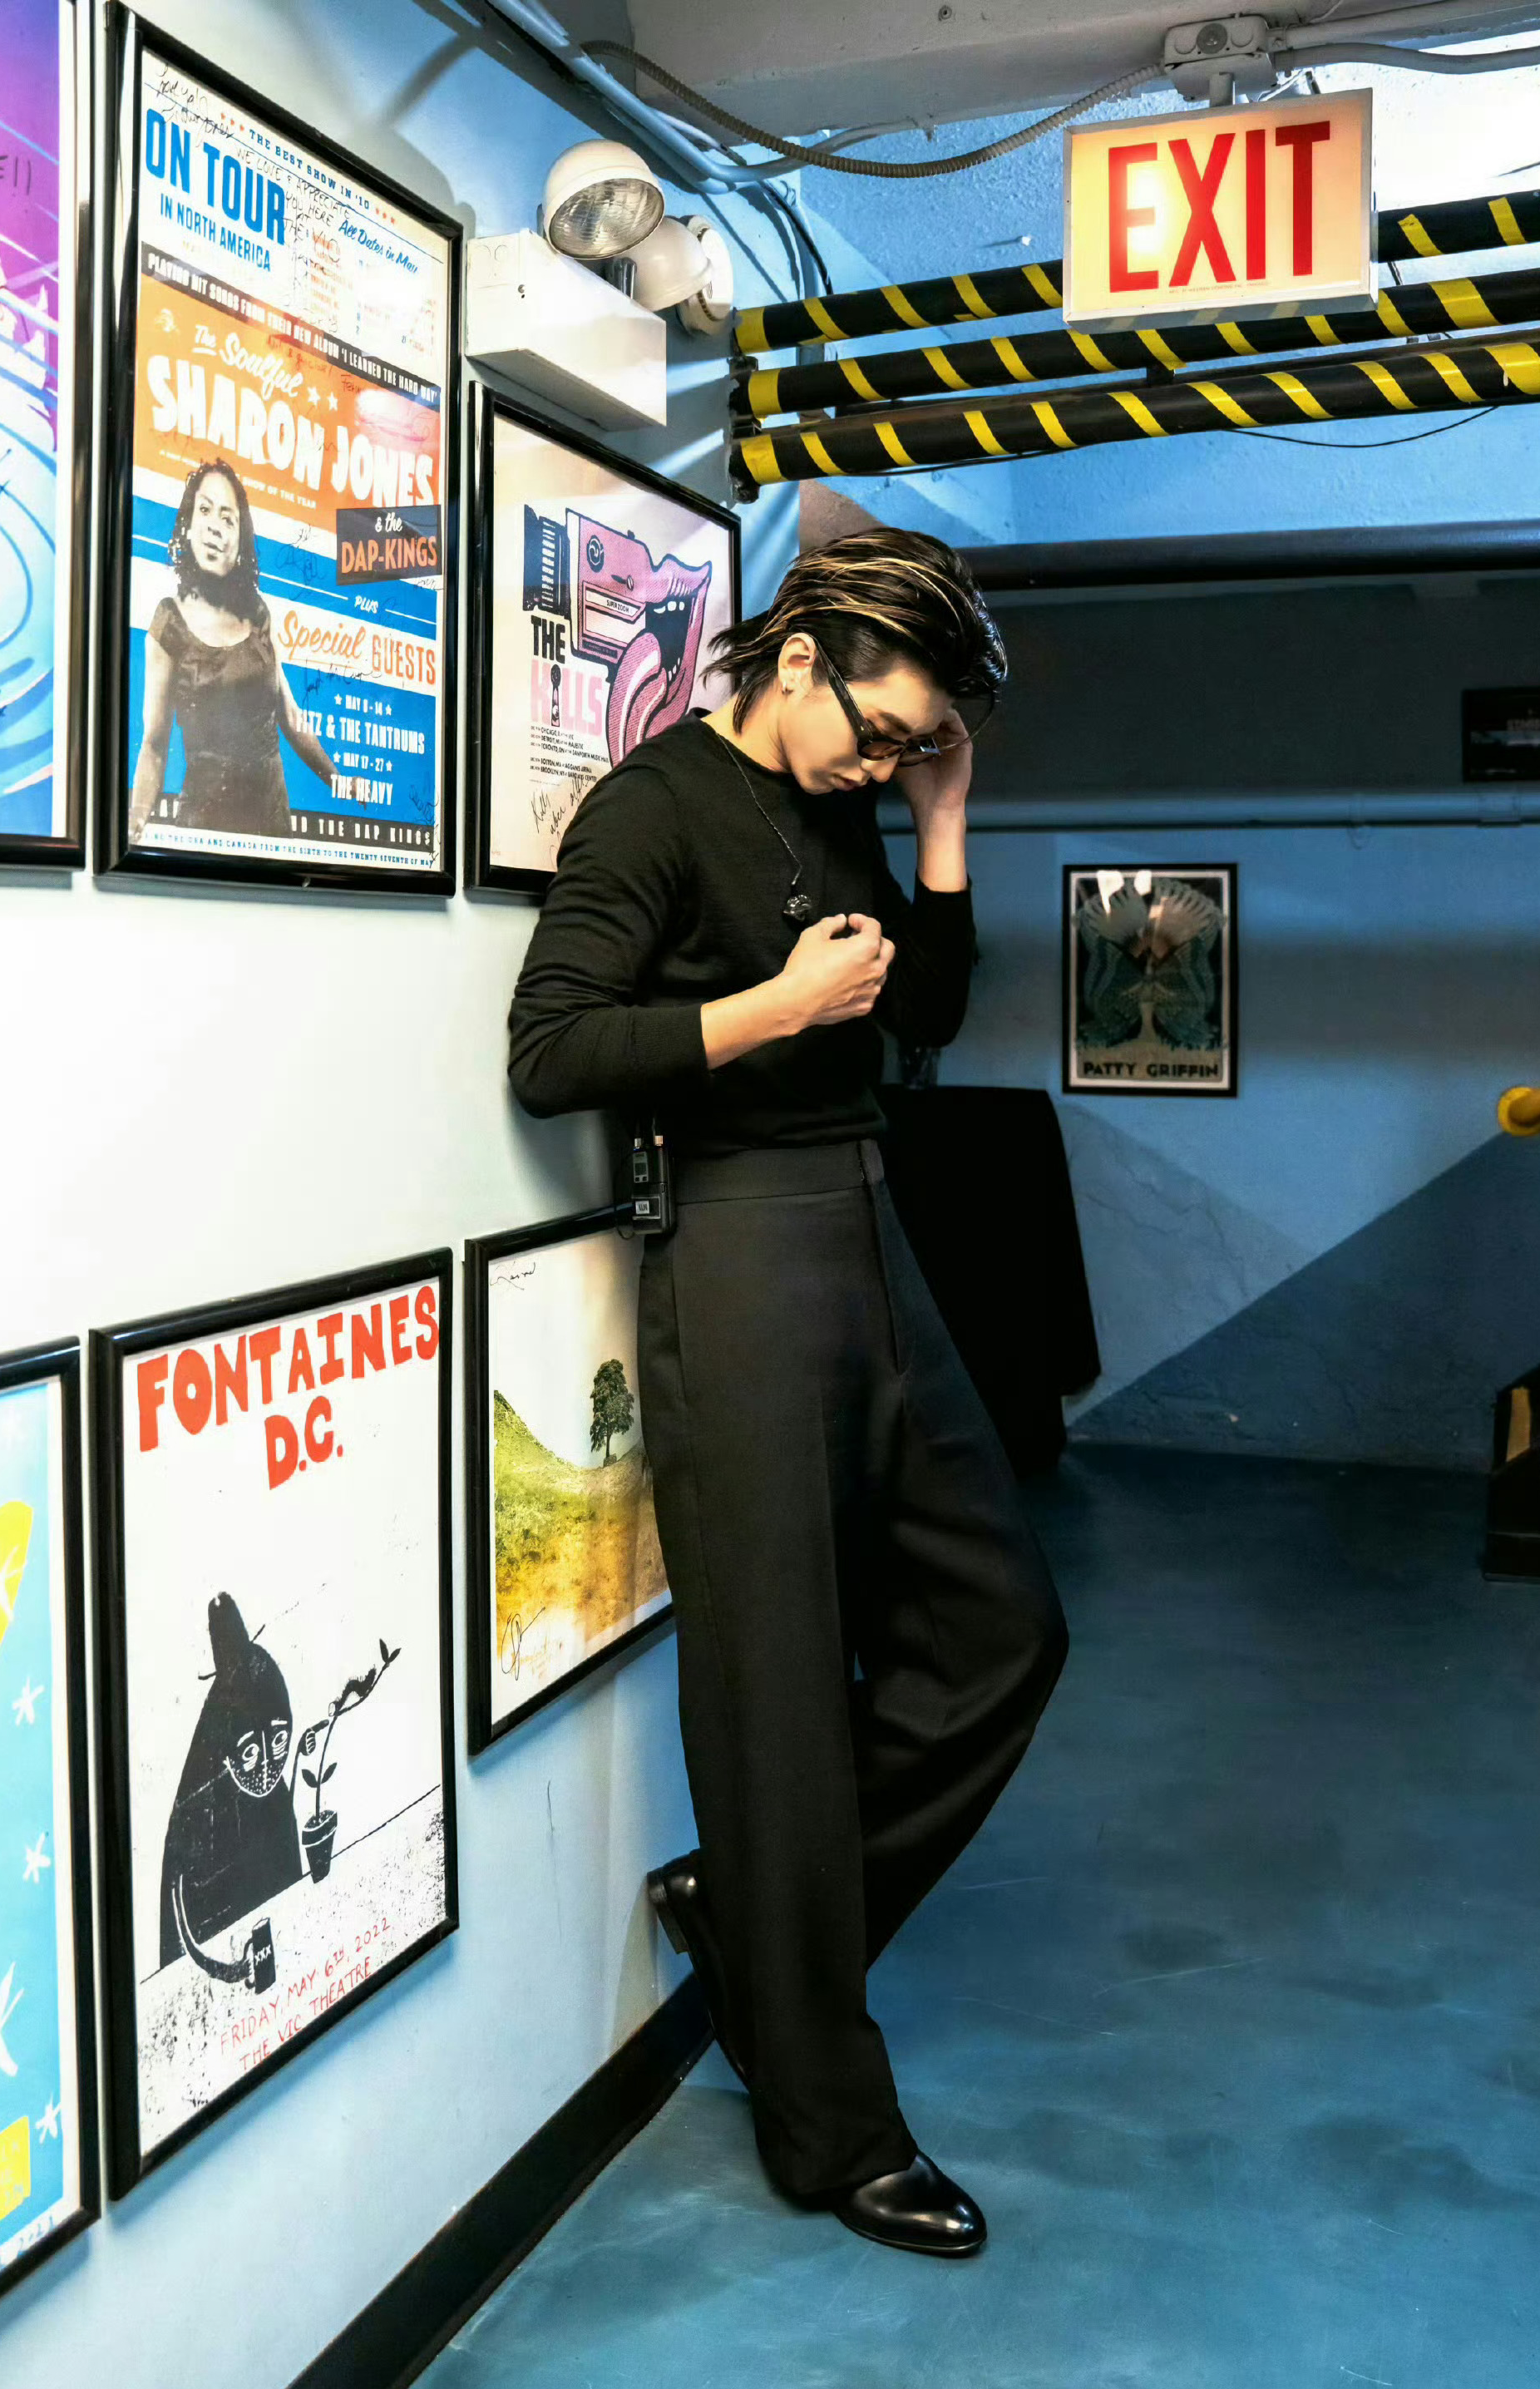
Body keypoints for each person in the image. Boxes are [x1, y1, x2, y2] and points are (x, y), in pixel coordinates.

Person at [507, 527, 1069, 2258]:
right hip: (737, 1248)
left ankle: (752, 1915)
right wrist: (770, 1007)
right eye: (880, 734)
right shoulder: (655, 808)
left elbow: (925, 1018)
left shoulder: (851, 804)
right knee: (777, 1702)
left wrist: (942, 828)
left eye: (913, 749)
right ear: (804, 657)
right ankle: (832, 2135)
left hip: (869, 1228)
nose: (882, 765)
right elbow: (552, 1049)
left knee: (1003, 1632)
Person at [129, 457, 339, 842]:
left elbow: (290, 717)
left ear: (240, 540)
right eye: (205, 510)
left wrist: (341, 781)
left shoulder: (259, 614)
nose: (215, 526)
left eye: (228, 519)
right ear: (187, 525)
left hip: (273, 828)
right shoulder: (169, 623)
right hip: (206, 833)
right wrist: (135, 821)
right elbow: (155, 747)